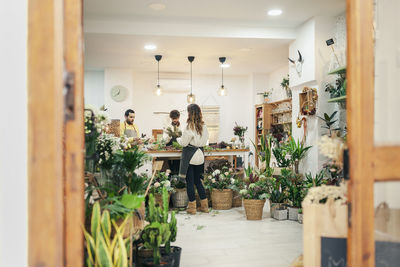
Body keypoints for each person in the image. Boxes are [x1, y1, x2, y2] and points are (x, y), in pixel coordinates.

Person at [178, 104, 209, 215]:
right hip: (200, 155)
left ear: (189, 113)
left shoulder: (189, 126)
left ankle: (192, 208)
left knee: (190, 182)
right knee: (198, 181)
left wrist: (178, 140)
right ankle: (205, 206)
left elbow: (184, 143)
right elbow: (205, 141)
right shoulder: (203, 126)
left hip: (191, 156)